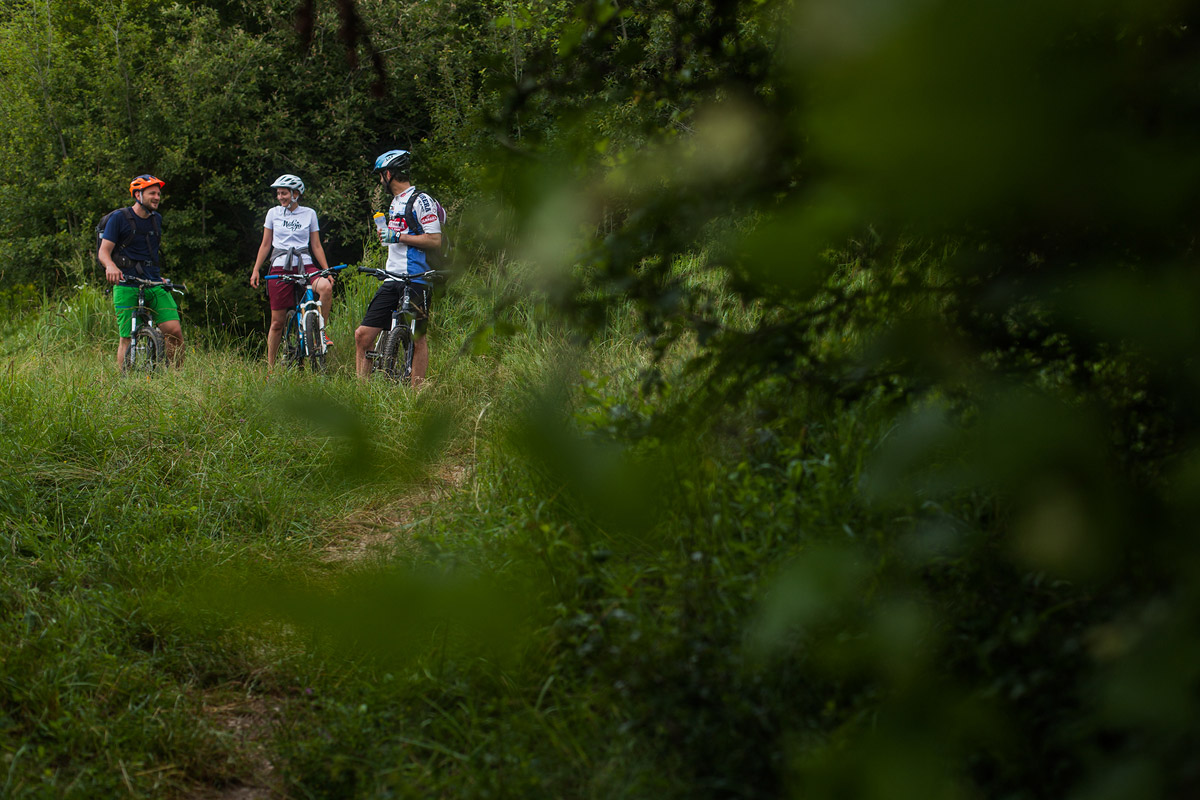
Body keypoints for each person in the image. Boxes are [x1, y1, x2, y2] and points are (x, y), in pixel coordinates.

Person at [354, 150, 442, 385]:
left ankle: (416, 394)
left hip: (417, 278)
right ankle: (360, 392)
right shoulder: (394, 203)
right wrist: (389, 236)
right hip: (392, 277)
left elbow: (435, 239)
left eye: (381, 175)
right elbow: (397, 239)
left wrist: (399, 236)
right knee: (363, 335)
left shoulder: (421, 200)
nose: (380, 180)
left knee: (418, 338)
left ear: (389, 174)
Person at [100, 174, 184, 368]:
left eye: (158, 194)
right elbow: (104, 252)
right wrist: (110, 266)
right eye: (152, 193)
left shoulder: (156, 219)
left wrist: (157, 276)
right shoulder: (119, 218)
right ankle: (124, 380)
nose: (157, 197)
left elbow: (149, 253)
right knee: (126, 337)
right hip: (125, 283)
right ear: (138, 195)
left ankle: (177, 378)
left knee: (174, 331)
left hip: (153, 283)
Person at [249, 174, 333, 366]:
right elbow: (265, 244)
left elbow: (316, 245)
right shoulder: (273, 213)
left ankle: (321, 333)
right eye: (278, 193)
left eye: (284, 193)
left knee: (326, 288)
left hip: (305, 264)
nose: (280, 197)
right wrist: (256, 269)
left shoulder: (309, 213)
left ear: (296, 194)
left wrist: (326, 270)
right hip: (280, 266)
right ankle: (270, 368)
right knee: (277, 322)